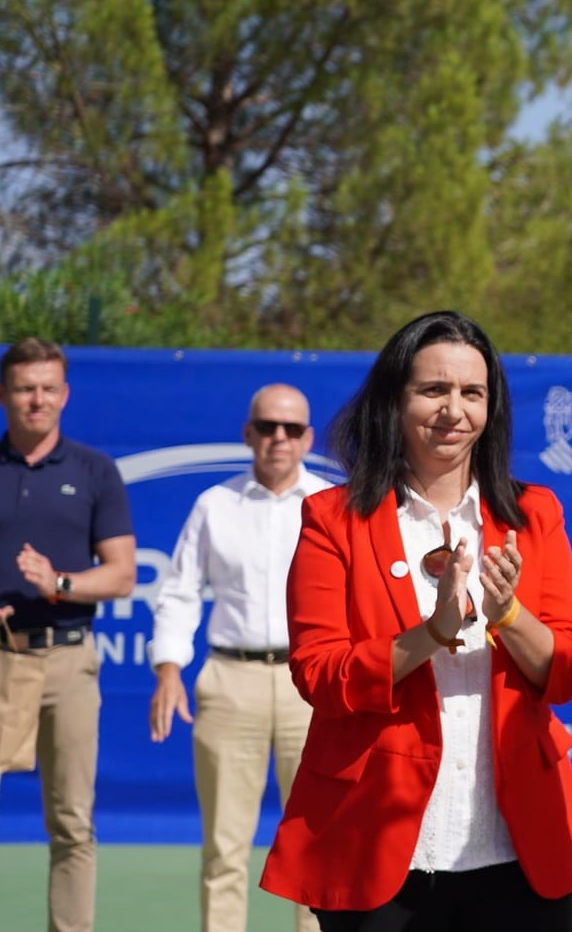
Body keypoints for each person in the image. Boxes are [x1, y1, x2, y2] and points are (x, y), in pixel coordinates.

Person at [258, 312, 572, 930]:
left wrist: (509, 615)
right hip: (378, 845)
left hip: (520, 848)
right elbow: (320, 674)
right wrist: (433, 631)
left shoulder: (534, 514)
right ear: (394, 399)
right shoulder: (333, 519)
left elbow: (569, 670)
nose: (454, 410)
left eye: (472, 393)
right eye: (433, 390)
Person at [147, 383, 331, 932]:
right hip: (231, 681)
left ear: (307, 439)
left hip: (312, 686)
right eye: (268, 427)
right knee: (225, 848)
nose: (279, 438)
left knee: (318, 845)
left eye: (291, 429)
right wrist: (168, 669)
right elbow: (179, 592)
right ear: (247, 432)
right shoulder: (214, 505)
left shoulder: (332, 505)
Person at [0, 336, 137, 932]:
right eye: (25, 388)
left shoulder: (95, 470)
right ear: (2, 394)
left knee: (73, 822)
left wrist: (60, 583)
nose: (37, 400)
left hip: (68, 661)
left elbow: (123, 574)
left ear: (65, 394)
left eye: (49, 388)